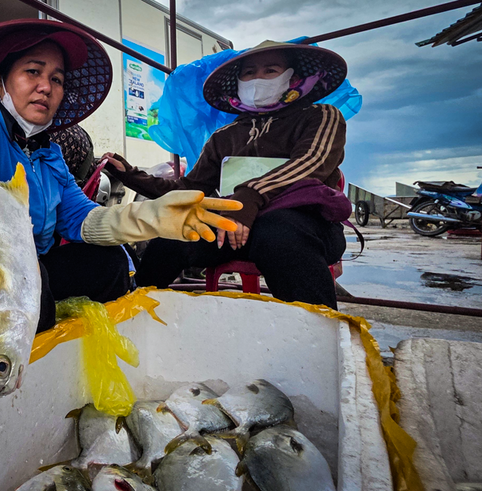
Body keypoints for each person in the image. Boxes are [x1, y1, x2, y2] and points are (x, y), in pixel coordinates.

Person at [0, 19, 240, 364]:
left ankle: (44, 339)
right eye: (32, 72)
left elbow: (82, 217)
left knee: (109, 264)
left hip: (19, 282)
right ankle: (10, 358)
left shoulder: (50, 153)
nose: (46, 87)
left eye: (57, 79)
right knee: (35, 294)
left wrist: (152, 217)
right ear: (1, 83)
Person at [102, 40, 349, 309]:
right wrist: (132, 176)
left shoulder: (321, 116)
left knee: (278, 235)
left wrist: (251, 195)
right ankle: (133, 312)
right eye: (249, 72)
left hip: (304, 226)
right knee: (173, 236)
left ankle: (318, 330)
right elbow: (191, 187)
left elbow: (312, 161)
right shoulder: (225, 135)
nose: (257, 78)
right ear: (239, 83)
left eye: (270, 71)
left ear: (294, 78)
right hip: (231, 229)